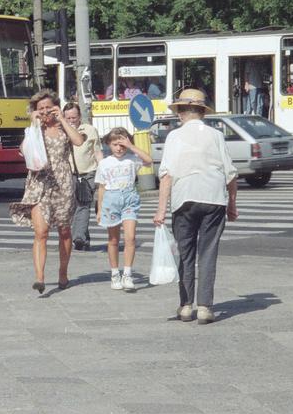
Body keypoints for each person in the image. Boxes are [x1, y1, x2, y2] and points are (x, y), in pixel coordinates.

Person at [153, 88, 238, 324]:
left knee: (185, 253)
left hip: (184, 200)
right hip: (213, 199)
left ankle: (185, 305)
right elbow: (231, 174)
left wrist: (161, 209)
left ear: (180, 111)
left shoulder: (174, 137)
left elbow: (167, 175)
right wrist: (232, 204)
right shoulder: (216, 135)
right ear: (202, 112)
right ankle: (205, 307)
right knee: (208, 252)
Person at [10, 89, 84, 293]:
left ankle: (63, 272)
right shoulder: (34, 130)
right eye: (40, 108)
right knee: (41, 232)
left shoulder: (63, 128)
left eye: (48, 108)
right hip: (39, 184)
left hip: (63, 185)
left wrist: (62, 118)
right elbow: (24, 150)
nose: (44, 112)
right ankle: (40, 277)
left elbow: (78, 141)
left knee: (64, 231)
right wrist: (33, 124)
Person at [95, 127, 153, 292]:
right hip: (111, 200)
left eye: (122, 145)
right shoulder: (105, 163)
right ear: (109, 144)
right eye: (115, 145)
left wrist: (132, 145)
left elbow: (148, 160)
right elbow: (101, 187)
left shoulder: (132, 159)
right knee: (113, 240)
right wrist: (99, 209)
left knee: (130, 237)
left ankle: (127, 273)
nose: (119, 148)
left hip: (129, 199)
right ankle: (115, 274)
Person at [63, 101, 103, 251]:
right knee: (74, 207)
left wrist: (103, 169)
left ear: (79, 116)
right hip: (70, 175)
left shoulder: (90, 130)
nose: (71, 121)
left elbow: (97, 151)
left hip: (88, 174)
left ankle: (78, 236)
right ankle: (84, 240)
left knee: (83, 204)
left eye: (74, 117)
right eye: (68, 118)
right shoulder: (62, 131)